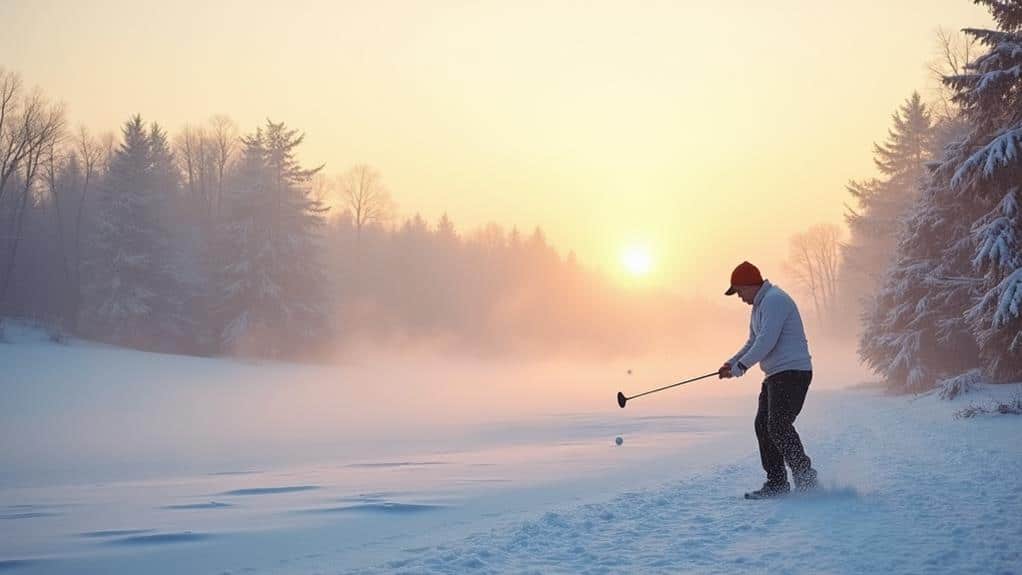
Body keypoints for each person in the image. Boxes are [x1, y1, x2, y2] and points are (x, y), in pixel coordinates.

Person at [718, 261, 819, 499]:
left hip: (793, 373)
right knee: (763, 425)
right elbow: (753, 341)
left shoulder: (775, 300)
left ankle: (806, 478)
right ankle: (777, 483)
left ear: (750, 285)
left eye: (740, 291)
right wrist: (730, 363)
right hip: (776, 375)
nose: (740, 297)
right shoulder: (759, 306)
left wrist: (741, 367)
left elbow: (767, 341)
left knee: (778, 426)